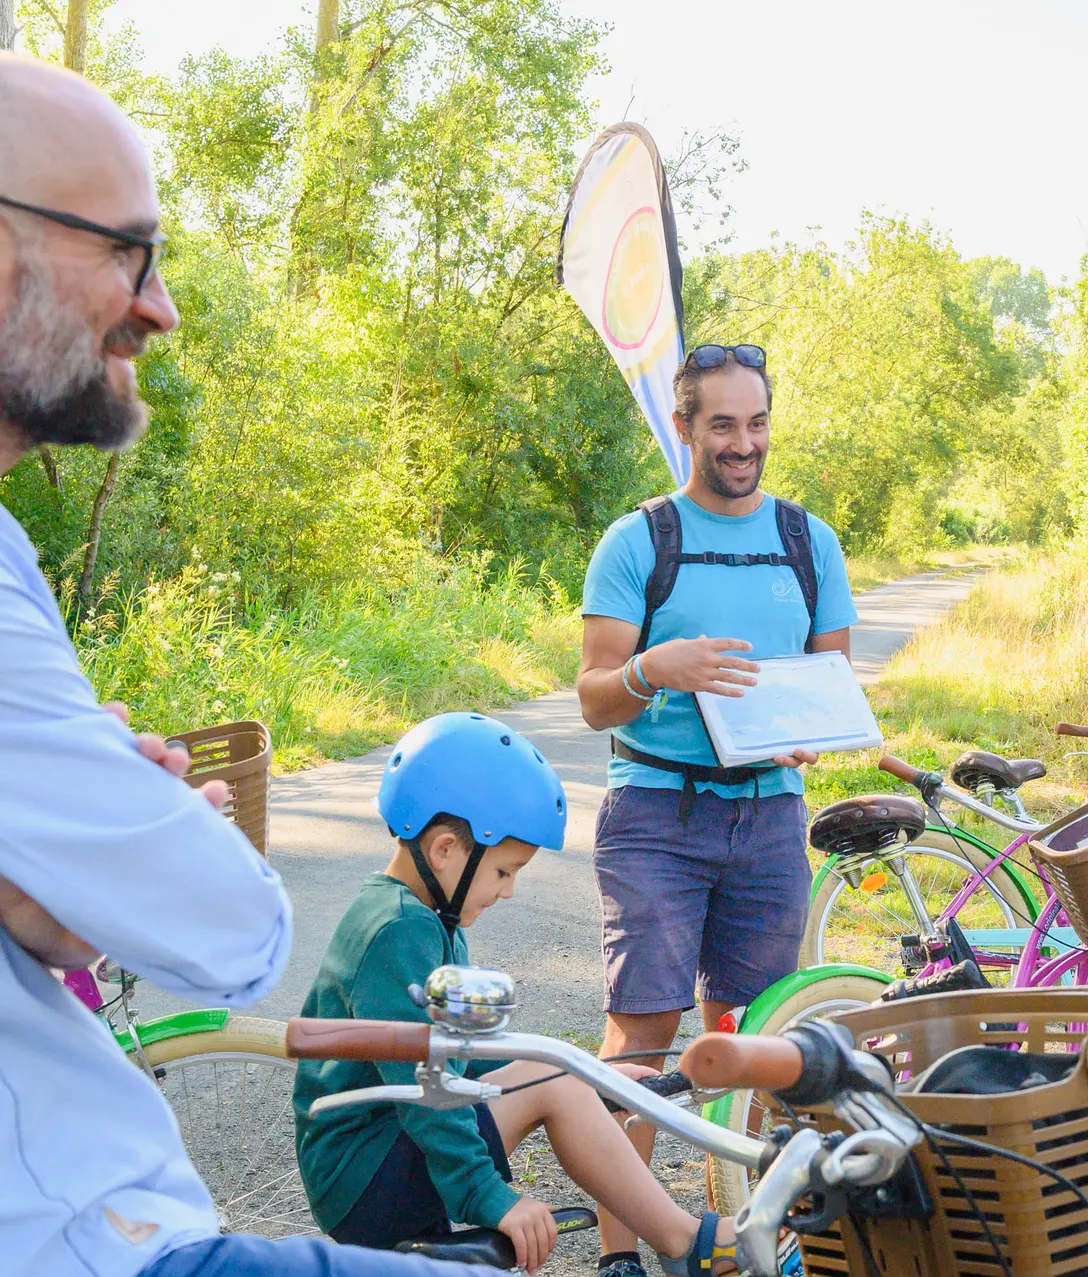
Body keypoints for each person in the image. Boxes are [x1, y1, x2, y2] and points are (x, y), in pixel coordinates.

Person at [0, 51, 465, 1277]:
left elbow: (57, 917)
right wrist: (120, 811)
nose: (159, 308)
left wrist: (59, 851)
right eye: (129, 252)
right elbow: (229, 927)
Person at [296, 713, 738, 1277]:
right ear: (446, 850)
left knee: (555, 1074)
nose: (508, 891)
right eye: (505, 871)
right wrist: (488, 1195)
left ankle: (684, 1242)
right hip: (365, 1181)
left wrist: (589, 1077)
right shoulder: (399, 931)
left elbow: (468, 1054)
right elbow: (428, 1088)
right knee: (549, 1079)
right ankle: (686, 1244)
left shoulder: (427, 917)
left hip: (382, 1153)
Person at [576, 344, 858, 1076]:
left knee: (753, 1041)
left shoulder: (809, 541)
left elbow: (830, 681)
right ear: (684, 428)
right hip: (655, 815)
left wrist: (806, 733)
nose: (744, 444)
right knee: (641, 1038)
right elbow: (594, 700)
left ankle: (735, 1159)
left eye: (757, 423)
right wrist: (651, 669)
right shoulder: (638, 541)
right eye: (724, 425)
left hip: (770, 818)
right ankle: (616, 1161)